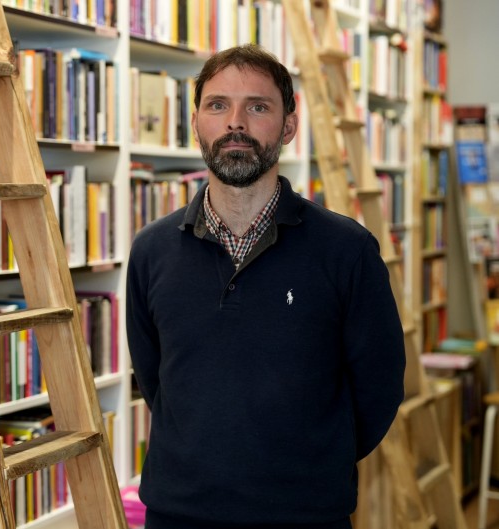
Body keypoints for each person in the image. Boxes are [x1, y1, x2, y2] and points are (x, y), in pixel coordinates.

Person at [125, 44, 405, 528]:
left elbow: (378, 389)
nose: (235, 123)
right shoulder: (152, 251)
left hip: (306, 517)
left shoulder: (347, 250)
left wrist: (313, 466)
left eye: (257, 107)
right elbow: (155, 381)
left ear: (289, 126)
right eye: (218, 105)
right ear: (195, 123)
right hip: (178, 514)